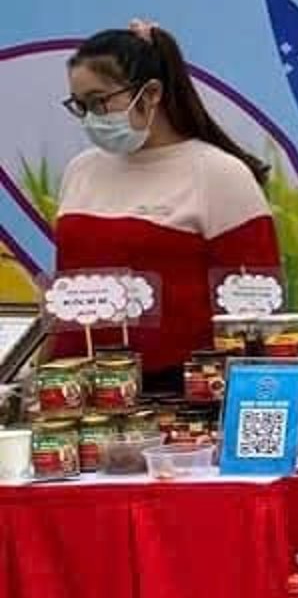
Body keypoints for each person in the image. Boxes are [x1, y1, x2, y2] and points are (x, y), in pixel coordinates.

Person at [53, 21, 279, 394]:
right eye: (81, 106)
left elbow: (256, 313)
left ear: (151, 93)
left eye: (100, 102)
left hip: (183, 395)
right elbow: (64, 294)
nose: (92, 118)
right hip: (81, 395)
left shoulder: (219, 173)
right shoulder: (81, 170)